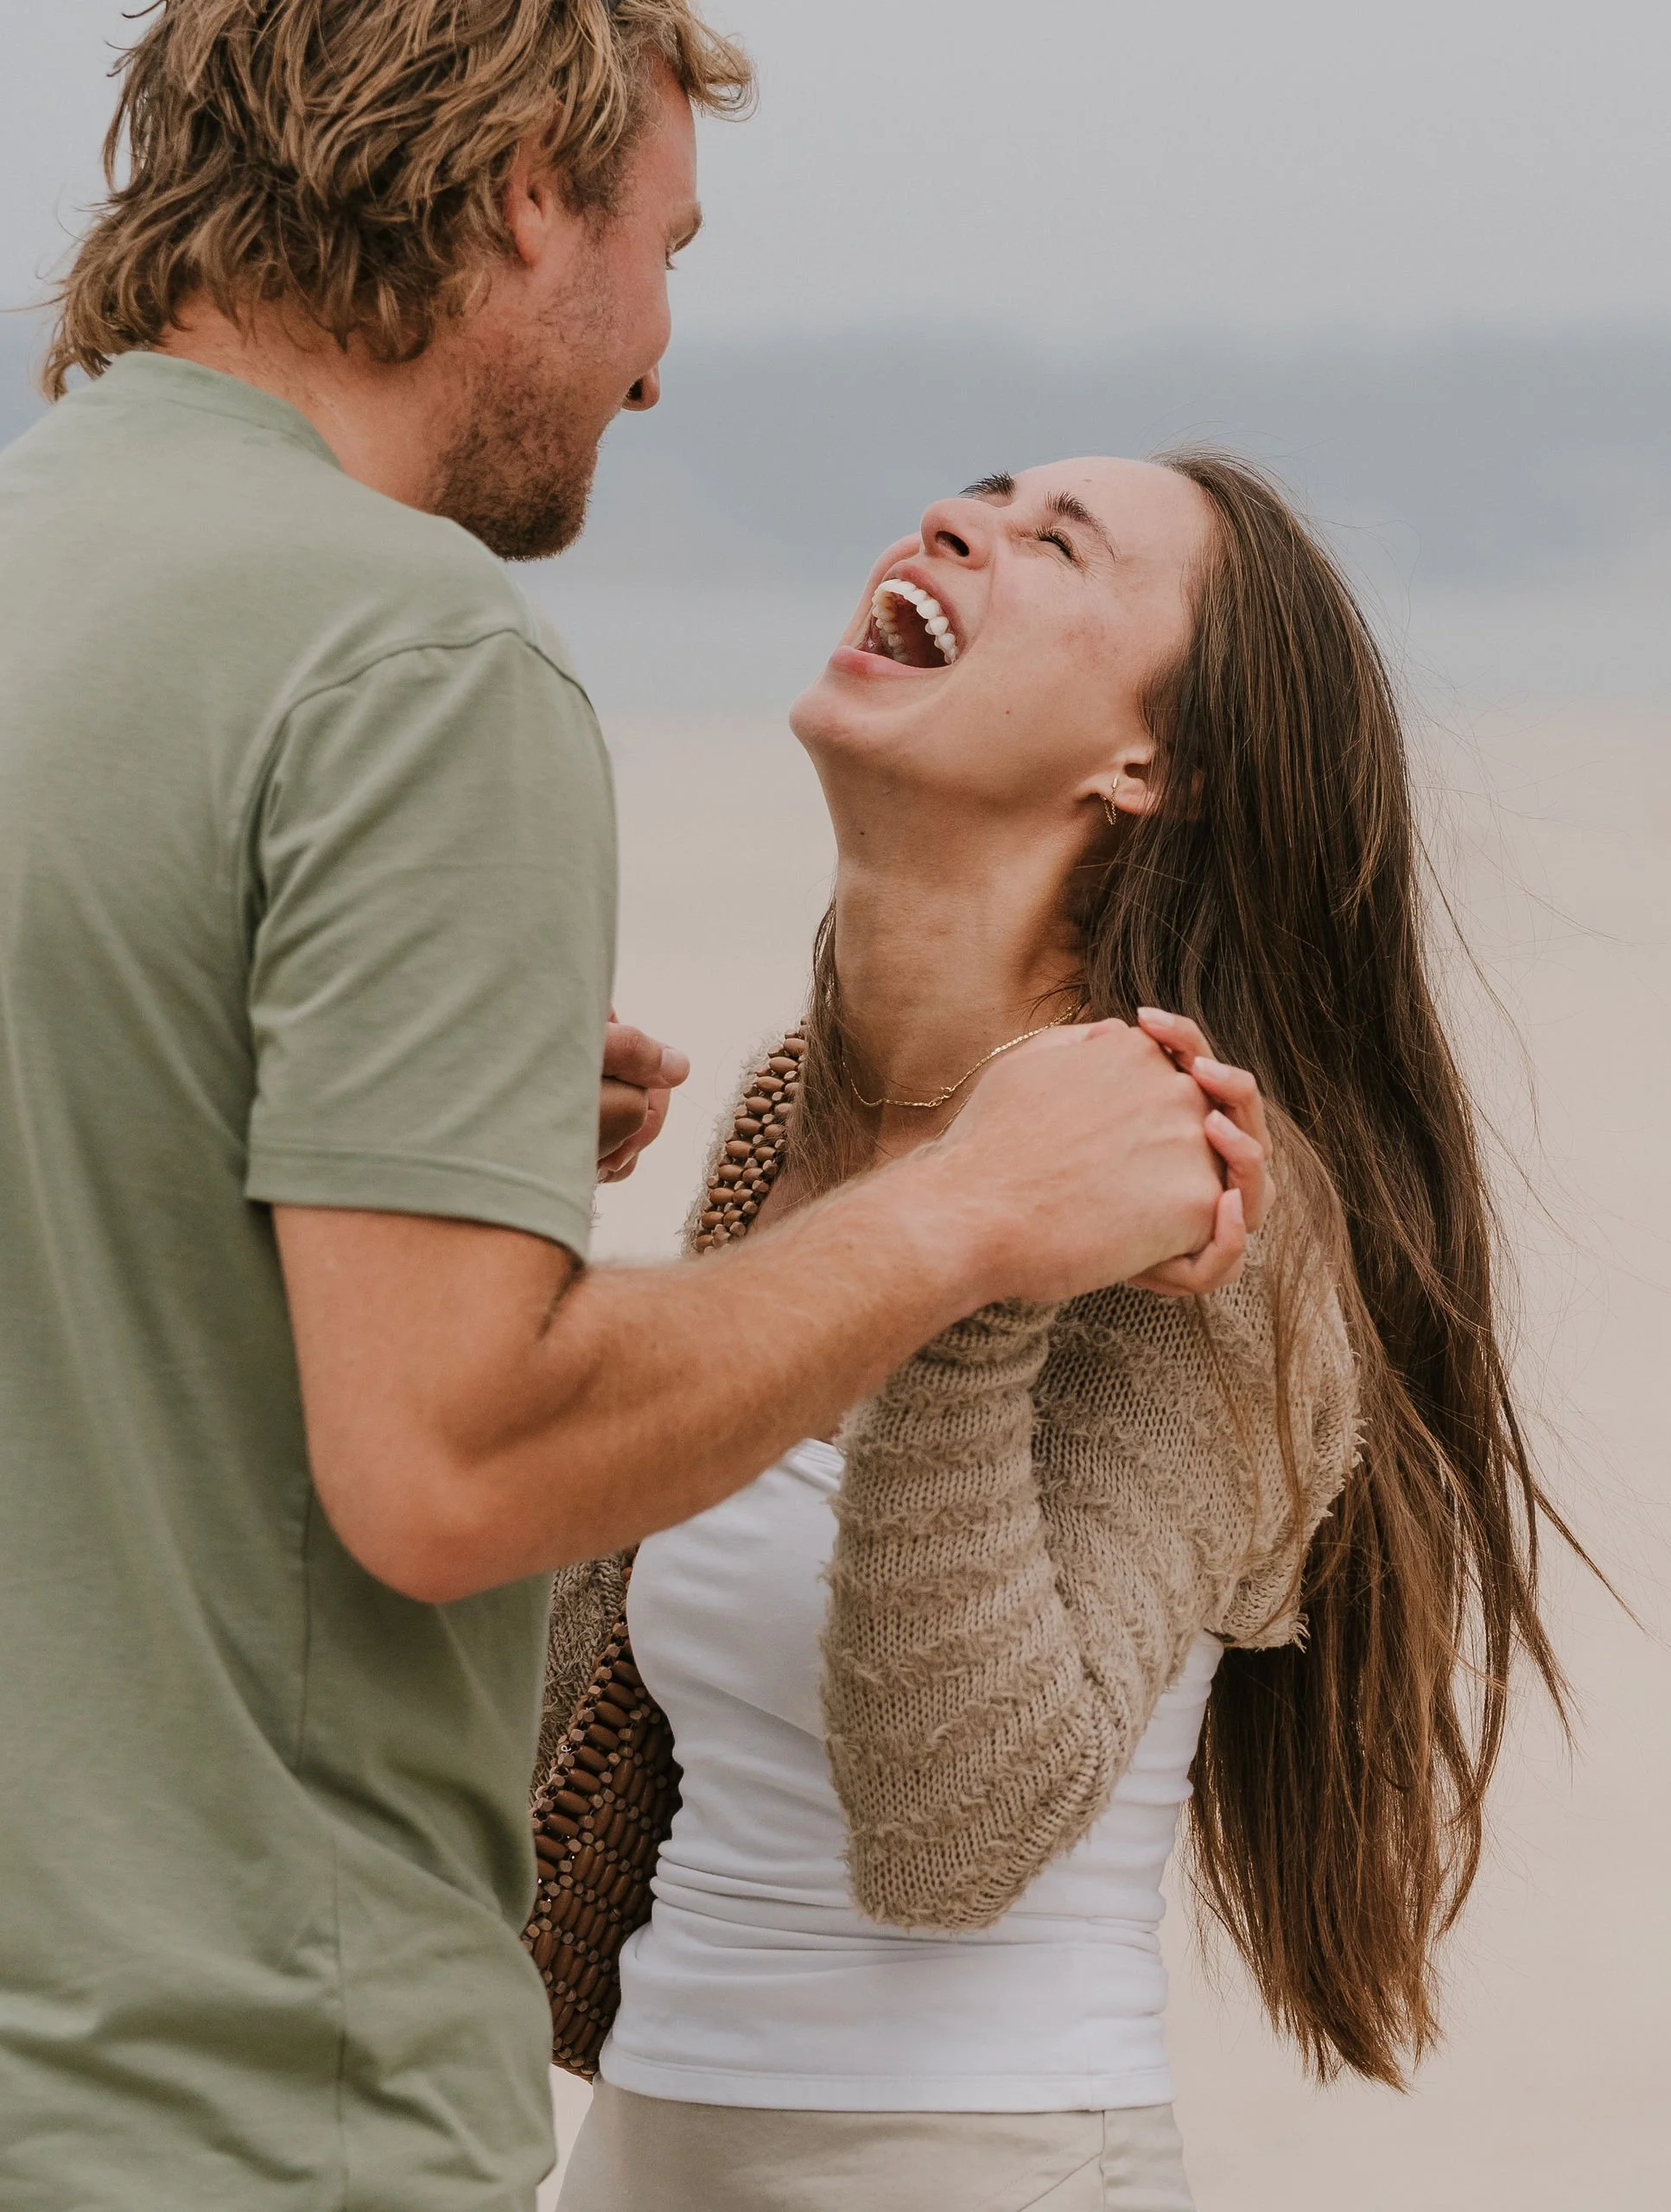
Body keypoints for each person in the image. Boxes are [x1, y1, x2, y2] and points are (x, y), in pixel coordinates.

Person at [0, 10, 1249, 2210]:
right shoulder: (410, 659)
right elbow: (456, 1463)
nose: (657, 354)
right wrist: (958, 1224)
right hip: (250, 2104)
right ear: (518, 195)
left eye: (1062, 543)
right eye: (665, 244)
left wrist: (342, 1137)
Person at [555, 454, 1582, 2211]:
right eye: (973, 498)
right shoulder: (792, 1110)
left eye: (1056, 542)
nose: (957, 527)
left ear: (1144, 765)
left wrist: (985, 1268)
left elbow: (956, 1829)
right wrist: (482, 1209)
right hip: (643, 2146)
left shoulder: (1206, 1208)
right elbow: (561, 1690)